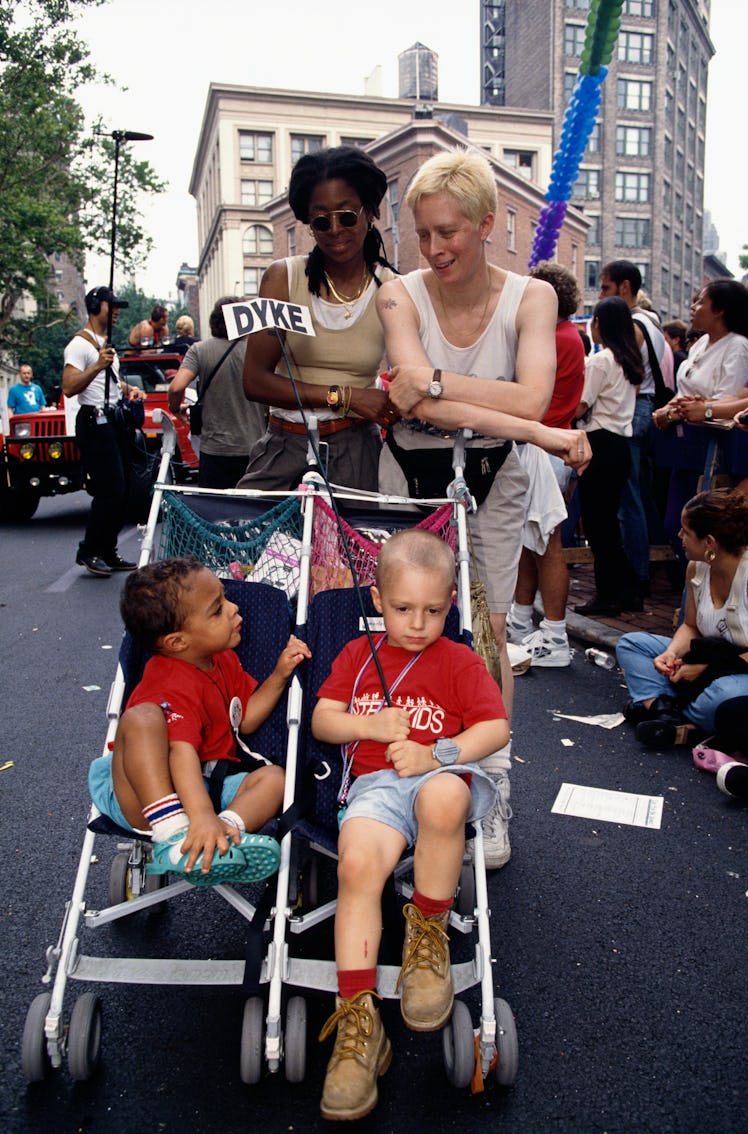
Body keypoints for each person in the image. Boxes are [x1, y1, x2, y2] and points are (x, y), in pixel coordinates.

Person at [376, 148, 575, 868]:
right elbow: (405, 387)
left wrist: (433, 383)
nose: (434, 249)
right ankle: (396, 778)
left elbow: (531, 397)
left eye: (449, 232)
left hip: (498, 476)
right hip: (408, 469)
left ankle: (491, 790)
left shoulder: (533, 297)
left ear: (487, 224)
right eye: (423, 234)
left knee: (488, 631)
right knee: (405, 622)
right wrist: (518, 418)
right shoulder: (398, 292)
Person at [311, 529, 508, 1121]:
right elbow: (323, 719)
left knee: (446, 797)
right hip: (375, 788)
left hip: (439, 774)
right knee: (357, 864)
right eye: (403, 609)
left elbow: (494, 729)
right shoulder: (356, 656)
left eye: (432, 610)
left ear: (451, 603)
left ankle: (428, 938)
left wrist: (439, 754)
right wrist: (366, 728)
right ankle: (359, 1022)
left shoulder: (459, 660)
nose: (417, 623)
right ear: (377, 600)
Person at [88, 556, 310, 881]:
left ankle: (223, 834)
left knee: (275, 779)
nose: (234, 609)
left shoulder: (222, 660)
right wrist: (201, 814)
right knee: (143, 717)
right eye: (218, 609)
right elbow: (180, 753)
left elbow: (243, 719)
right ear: (177, 642)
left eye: (225, 598)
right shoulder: (170, 680)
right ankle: (174, 837)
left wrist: (279, 674)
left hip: (204, 785)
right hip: (145, 792)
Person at [236, 146, 397, 493]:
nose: (335, 229)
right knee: (246, 543)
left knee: (355, 547)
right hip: (284, 450)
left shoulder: (393, 289)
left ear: (369, 211)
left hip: (356, 453)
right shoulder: (282, 278)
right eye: (321, 220)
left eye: (347, 216)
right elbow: (254, 381)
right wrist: (345, 397)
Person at [617, 489, 748, 751]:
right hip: (708, 656)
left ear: (709, 542)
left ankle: (664, 710)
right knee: (631, 644)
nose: (680, 537)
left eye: (686, 532)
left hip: (738, 669)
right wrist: (670, 653)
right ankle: (668, 712)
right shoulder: (696, 567)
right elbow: (690, 626)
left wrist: (706, 671)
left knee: (723, 696)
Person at [507, 261, 586, 667]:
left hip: (545, 445)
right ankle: (521, 623)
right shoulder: (562, 333)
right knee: (529, 541)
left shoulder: (558, 336)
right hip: (543, 443)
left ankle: (554, 636)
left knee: (547, 544)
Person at [652, 280, 748, 560]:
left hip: (719, 449)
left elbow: (731, 399)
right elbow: (686, 392)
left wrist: (700, 410)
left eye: (700, 302)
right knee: (676, 524)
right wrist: (668, 410)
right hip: (686, 447)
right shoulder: (700, 344)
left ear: (719, 310)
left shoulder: (739, 347)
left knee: (708, 527)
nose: (693, 308)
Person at [598, 261, 674, 602]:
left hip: (634, 409)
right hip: (646, 409)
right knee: (639, 495)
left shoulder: (634, 325)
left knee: (626, 499)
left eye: (605, 288)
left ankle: (636, 574)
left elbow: (623, 367)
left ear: (624, 287)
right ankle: (654, 566)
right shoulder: (652, 325)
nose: (601, 295)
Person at [62, 286, 144, 578]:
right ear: (96, 307)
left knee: (123, 491)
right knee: (110, 489)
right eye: (113, 306)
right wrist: (97, 364)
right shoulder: (80, 345)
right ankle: (89, 550)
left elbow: (108, 382)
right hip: (93, 422)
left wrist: (128, 388)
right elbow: (70, 386)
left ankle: (108, 550)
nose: (118, 311)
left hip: (112, 421)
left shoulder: (104, 343)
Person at [572, 296, 643, 616]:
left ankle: (607, 595)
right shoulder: (628, 360)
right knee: (609, 525)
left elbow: (581, 405)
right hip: (620, 446)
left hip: (599, 444)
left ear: (600, 323)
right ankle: (626, 591)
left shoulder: (601, 361)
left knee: (599, 526)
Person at [168, 297, 265, 489]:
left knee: (215, 512)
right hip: (254, 449)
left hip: (215, 451)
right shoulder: (258, 352)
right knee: (253, 513)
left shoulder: (199, 350)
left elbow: (176, 388)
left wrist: (175, 408)